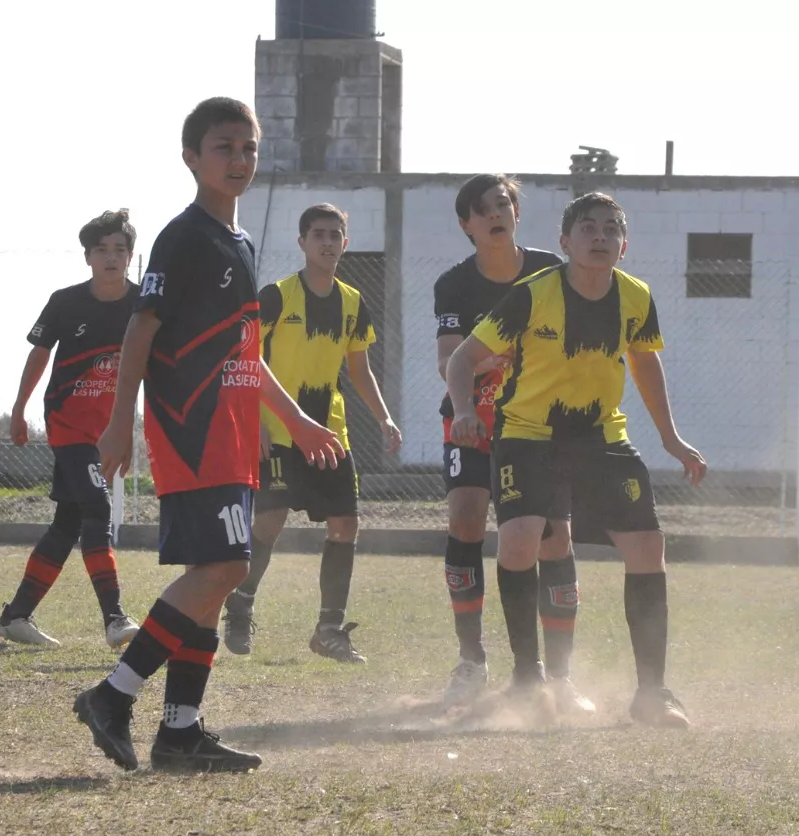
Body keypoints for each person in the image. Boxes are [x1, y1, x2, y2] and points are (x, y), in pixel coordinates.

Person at [71, 97, 344, 773]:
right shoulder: (184, 237)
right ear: (192, 158)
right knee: (226, 568)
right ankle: (113, 695)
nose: (239, 159)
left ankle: (180, 732)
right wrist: (120, 422)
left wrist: (294, 420)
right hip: (191, 428)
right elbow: (141, 328)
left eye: (248, 148)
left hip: (232, 433)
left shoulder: (239, 243)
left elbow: (245, 351)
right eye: (224, 147)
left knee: (216, 577)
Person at [446, 191, 707, 727]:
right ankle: (528, 678)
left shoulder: (636, 297)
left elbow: (644, 362)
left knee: (647, 545)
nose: (600, 236)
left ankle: (652, 693)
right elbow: (462, 359)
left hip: (601, 436)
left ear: (624, 246)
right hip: (528, 434)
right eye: (588, 227)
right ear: (565, 242)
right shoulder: (531, 295)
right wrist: (466, 410)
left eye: (612, 229)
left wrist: (671, 438)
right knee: (521, 540)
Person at [220, 203, 401, 663]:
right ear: (302, 242)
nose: (327, 242)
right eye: (318, 234)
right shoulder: (277, 296)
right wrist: (254, 421)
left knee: (346, 526)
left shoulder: (353, 302)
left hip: (329, 433)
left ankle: (329, 630)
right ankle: (240, 605)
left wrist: (384, 417)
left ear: (345, 242)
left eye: (335, 234)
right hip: (278, 430)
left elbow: (359, 370)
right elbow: (244, 356)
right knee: (270, 520)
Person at [431, 174, 567, 706]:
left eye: (504, 203)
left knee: (553, 537)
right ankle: (471, 660)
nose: (496, 213)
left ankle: (557, 673)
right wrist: (487, 364)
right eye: (484, 208)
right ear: (466, 224)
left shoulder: (549, 272)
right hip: (473, 420)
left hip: (536, 423)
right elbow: (449, 361)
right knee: (466, 518)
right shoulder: (454, 284)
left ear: (516, 213)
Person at [0, 209, 140, 650]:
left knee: (68, 523)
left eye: (119, 250)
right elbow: (39, 354)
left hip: (108, 430)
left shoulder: (144, 305)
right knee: (98, 508)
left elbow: (151, 369)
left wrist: (131, 432)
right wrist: (19, 408)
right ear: (87, 257)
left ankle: (16, 616)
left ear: (130, 256)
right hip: (68, 424)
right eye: (102, 250)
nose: (111, 257)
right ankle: (115, 618)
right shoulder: (65, 302)